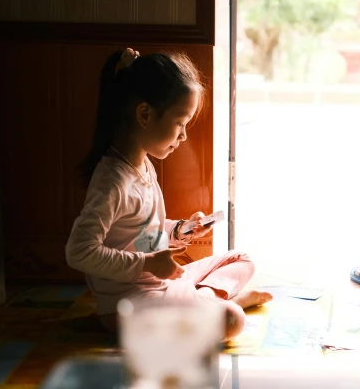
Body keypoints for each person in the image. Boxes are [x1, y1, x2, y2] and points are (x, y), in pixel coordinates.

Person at [66, 48, 272, 341]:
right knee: (233, 321)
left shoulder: (143, 166)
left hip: (162, 284)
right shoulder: (112, 182)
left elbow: (136, 238)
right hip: (133, 305)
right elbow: (79, 252)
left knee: (242, 258)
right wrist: (148, 264)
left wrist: (179, 230)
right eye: (180, 123)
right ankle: (221, 305)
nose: (184, 136)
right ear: (145, 114)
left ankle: (205, 300)